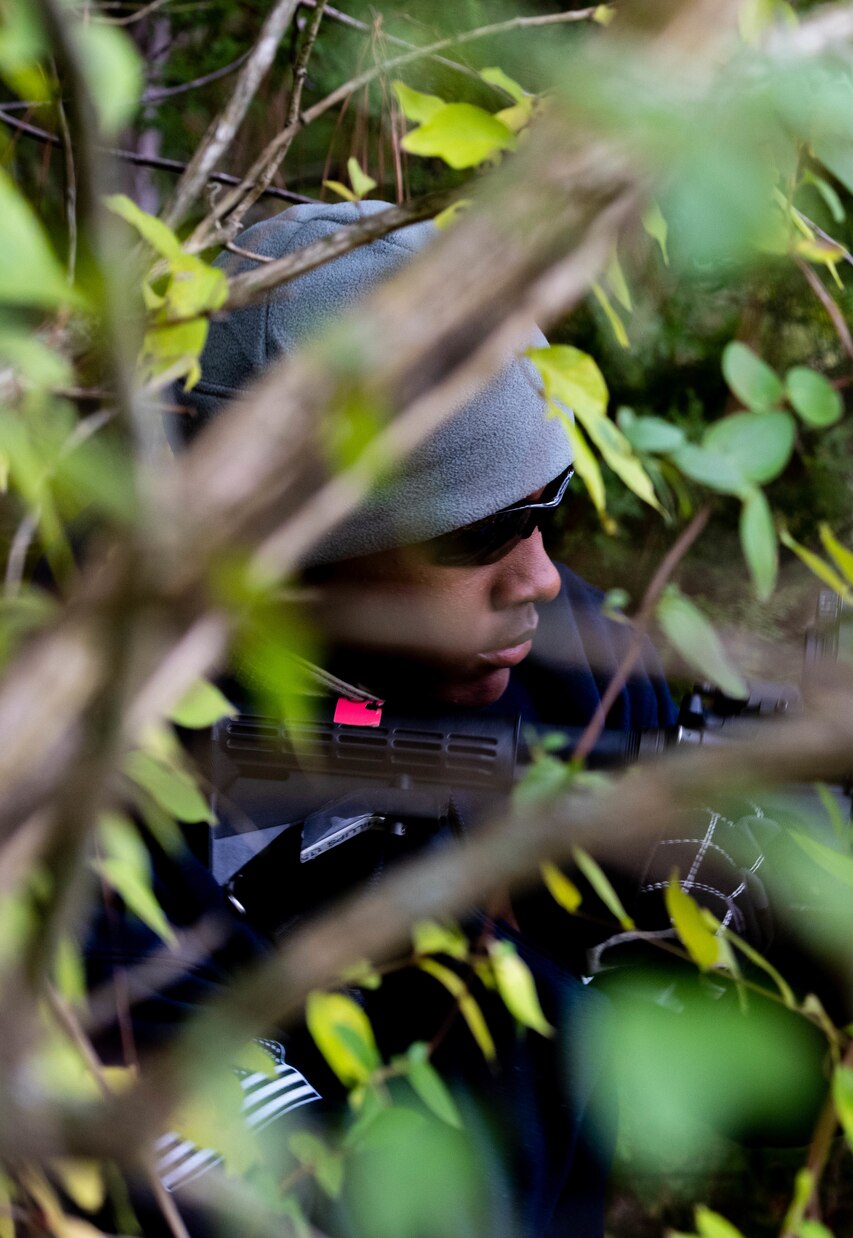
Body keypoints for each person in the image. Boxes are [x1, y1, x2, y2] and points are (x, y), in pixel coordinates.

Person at [94, 200, 703, 1236]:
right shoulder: (90, 763)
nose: (542, 575)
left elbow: (714, 765)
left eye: (548, 510)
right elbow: (235, 1179)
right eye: (480, 532)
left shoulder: (524, 654)